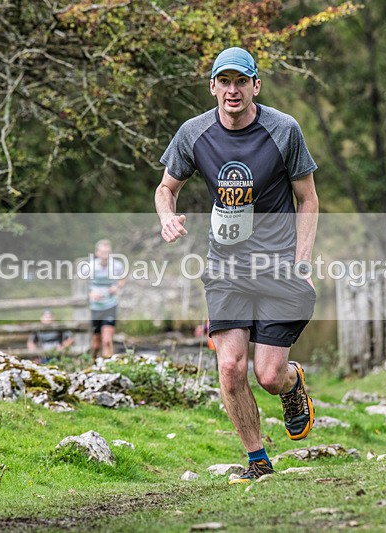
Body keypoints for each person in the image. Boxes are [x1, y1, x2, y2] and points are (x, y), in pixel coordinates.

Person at [154, 47, 318, 484]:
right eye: (224, 82)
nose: (232, 90)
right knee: (229, 367)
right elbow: (165, 188)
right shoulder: (193, 133)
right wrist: (168, 216)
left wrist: (302, 261)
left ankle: (291, 380)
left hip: (278, 266)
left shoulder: (283, 130)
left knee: (267, 375)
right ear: (213, 87)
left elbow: (308, 198)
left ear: (255, 86)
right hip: (225, 267)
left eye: (240, 81)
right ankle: (258, 460)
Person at [87, 239, 126, 358]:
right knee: (96, 343)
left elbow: (123, 278)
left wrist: (117, 286)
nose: (105, 255)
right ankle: (93, 363)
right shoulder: (90, 266)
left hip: (110, 305)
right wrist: (90, 294)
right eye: (103, 252)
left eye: (108, 252)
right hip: (95, 307)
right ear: (97, 253)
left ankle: (107, 369)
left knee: (107, 340)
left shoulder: (117, 265)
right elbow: (80, 284)